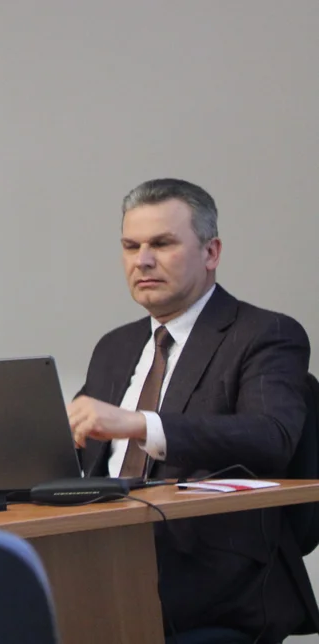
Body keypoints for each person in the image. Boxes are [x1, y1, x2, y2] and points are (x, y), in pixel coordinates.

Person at [67, 178, 318, 643]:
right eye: (131, 246)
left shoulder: (265, 334)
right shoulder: (114, 347)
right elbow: (78, 451)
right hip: (105, 564)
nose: (142, 260)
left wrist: (141, 424)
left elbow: (272, 436)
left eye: (162, 244)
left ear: (211, 252)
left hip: (214, 584)